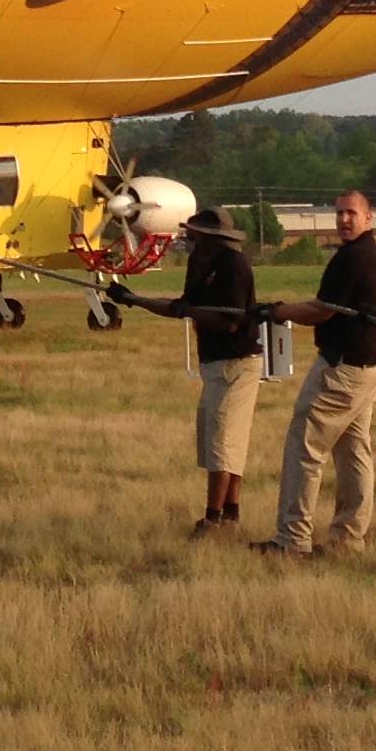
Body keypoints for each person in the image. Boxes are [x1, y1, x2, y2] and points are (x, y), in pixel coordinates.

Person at [108, 206, 262, 533]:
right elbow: (181, 306)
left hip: (237, 363)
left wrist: (189, 311)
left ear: (211, 237)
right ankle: (229, 514)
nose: (188, 237)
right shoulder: (198, 262)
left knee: (224, 443)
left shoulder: (234, 266)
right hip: (212, 363)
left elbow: (230, 320)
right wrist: (132, 299)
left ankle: (214, 519)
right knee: (214, 441)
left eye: (194, 232)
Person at [254, 188, 376, 557]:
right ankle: (349, 538)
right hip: (368, 367)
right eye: (340, 213)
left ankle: (292, 539)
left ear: (368, 219)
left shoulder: (354, 258)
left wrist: (276, 311)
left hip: (343, 369)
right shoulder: (367, 253)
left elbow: (321, 311)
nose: (344, 220)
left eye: (351, 213)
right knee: (353, 450)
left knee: (304, 447)